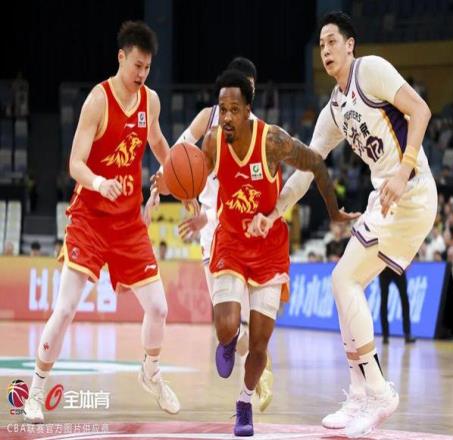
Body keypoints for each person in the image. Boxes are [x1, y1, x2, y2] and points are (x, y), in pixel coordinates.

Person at [247, 11, 437, 437]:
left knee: (345, 280)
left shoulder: (371, 71)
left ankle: (378, 391)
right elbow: (307, 170)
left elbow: (421, 110)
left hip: (411, 190)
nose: (326, 50)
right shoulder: (334, 109)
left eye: (332, 41)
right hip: (386, 197)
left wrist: (404, 169)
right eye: (320, 45)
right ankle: (360, 393)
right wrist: (274, 211)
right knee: (341, 282)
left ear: (350, 45)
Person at [23, 21, 194, 423]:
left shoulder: (151, 101)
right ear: (121, 57)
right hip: (90, 219)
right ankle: (35, 391)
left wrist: (178, 181)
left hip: (128, 223)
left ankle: (151, 372)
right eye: (137, 65)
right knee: (65, 309)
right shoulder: (98, 101)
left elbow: (157, 142)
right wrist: (100, 183)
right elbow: (75, 164)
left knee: (159, 307)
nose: (142, 74)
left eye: (147, 67)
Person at [172, 69, 353, 437]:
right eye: (222, 109)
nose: (226, 117)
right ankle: (226, 342)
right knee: (226, 325)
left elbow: (315, 163)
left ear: (248, 109)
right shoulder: (212, 142)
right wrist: (176, 188)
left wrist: (334, 212)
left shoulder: (272, 140)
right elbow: (192, 180)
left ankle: (244, 402)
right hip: (231, 241)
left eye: (233, 109)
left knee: (259, 343)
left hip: (268, 247)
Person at [167, 58, 273, 412]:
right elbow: (178, 156)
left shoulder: (260, 132)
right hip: (211, 229)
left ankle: (255, 378)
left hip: (241, 230)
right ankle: (244, 355)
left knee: (246, 317)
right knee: (226, 324)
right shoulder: (209, 118)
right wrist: (187, 195)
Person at [378, 268, 416, 344]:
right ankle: (387, 335)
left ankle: (387, 336)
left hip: (394, 267)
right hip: (390, 267)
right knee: (385, 302)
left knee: (403, 300)